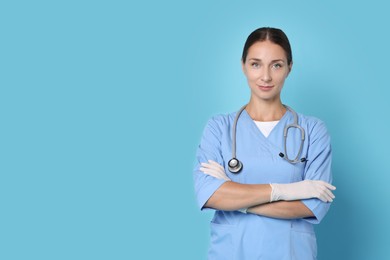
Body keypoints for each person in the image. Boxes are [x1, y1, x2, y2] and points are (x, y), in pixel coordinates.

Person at [193, 27, 336, 260]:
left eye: (277, 65)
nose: (266, 76)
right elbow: (210, 195)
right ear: (243, 66)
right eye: (256, 64)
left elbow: (311, 206)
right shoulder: (219, 128)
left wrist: (236, 197)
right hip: (231, 252)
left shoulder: (312, 131)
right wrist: (286, 191)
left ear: (290, 67)